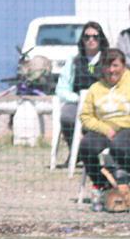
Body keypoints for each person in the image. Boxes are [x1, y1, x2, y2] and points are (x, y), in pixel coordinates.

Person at [79, 48, 130, 211]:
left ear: (123, 66)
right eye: (107, 66)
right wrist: (105, 129)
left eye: (115, 65)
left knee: (120, 147)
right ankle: (103, 186)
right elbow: (86, 117)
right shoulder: (95, 88)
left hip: (127, 127)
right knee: (87, 147)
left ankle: (124, 183)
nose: (111, 70)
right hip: (104, 129)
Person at [55, 21, 109, 158]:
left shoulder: (109, 60)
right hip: (79, 102)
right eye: (87, 37)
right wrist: (78, 98)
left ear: (101, 38)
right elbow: (61, 89)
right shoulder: (73, 61)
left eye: (95, 36)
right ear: (82, 39)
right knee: (67, 116)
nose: (91, 40)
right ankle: (76, 152)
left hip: (105, 104)